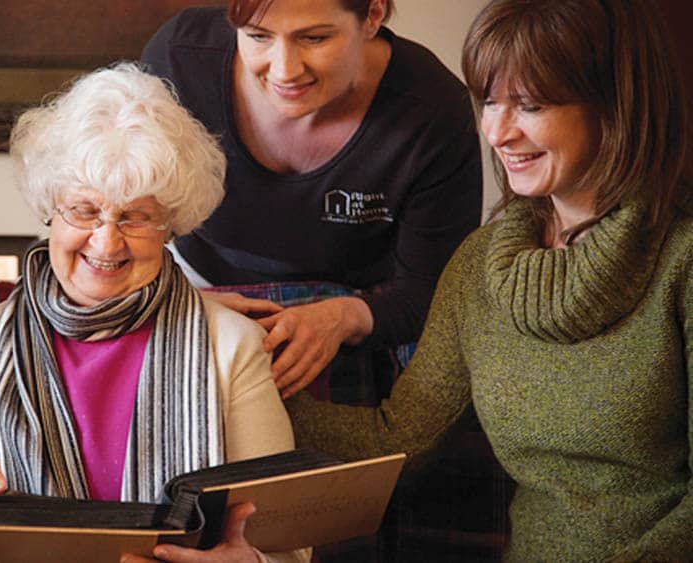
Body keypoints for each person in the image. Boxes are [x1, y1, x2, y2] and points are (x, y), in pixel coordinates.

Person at [287, 0, 693, 560]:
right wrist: (240, 391)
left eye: (529, 105)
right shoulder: (481, 265)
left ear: (614, 106)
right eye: (490, 101)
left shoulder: (683, 260)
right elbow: (400, 437)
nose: (495, 131)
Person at [0, 63, 307, 563]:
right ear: (49, 209)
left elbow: (284, 540)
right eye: (85, 211)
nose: (107, 241)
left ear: (171, 226)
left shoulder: (232, 345)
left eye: (136, 216)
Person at [141, 0, 482, 403]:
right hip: (203, 294)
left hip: (370, 315)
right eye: (258, 37)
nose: (285, 70)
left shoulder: (432, 111)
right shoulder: (180, 60)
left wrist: (344, 315)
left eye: (314, 38)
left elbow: (429, 291)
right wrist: (184, 304)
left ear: (373, 15)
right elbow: (127, 218)